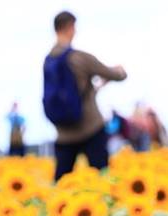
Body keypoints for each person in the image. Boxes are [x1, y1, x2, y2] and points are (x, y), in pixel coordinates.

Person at [44, 11, 127, 181]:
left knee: (61, 183)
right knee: (102, 178)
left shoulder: (48, 60)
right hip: (90, 127)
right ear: (70, 27)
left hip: (63, 132)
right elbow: (116, 75)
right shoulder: (79, 57)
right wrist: (119, 70)